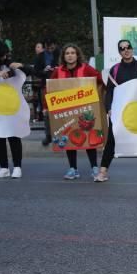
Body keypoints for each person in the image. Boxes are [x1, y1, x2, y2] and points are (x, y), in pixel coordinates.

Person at [94, 39, 137, 182]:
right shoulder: (115, 70)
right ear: (119, 52)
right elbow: (109, 92)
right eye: (122, 48)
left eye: (128, 47)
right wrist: (108, 108)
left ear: (132, 49)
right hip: (120, 111)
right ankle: (103, 172)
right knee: (112, 140)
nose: (125, 50)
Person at [49, 44, 103, 180]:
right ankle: (73, 168)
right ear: (64, 56)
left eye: (73, 52)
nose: (70, 55)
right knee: (68, 139)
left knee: (89, 137)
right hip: (66, 109)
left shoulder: (86, 68)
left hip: (84, 108)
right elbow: (49, 89)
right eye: (67, 53)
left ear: (77, 55)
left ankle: (94, 168)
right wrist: (47, 106)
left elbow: (100, 79)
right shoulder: (58, 71)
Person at [0, 40, 31, 178]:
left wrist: (17, 67)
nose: (5, 58)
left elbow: (26, 71)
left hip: (11, 106)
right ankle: (3, 167)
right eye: (2, 56)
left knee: (13, 135)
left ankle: (17, 166)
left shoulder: (8, 62)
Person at [34, 38, 60, 146]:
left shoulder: (61, 53)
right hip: (46, 84)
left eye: (52, 46)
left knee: (60, 111)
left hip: (60, 85)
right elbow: (36, 71)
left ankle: (60, 134)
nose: (50, 49)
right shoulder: (41, 56)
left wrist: (58, 68)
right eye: (48, 47)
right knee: (46, 112)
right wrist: (44, 70)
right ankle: (48, 135)